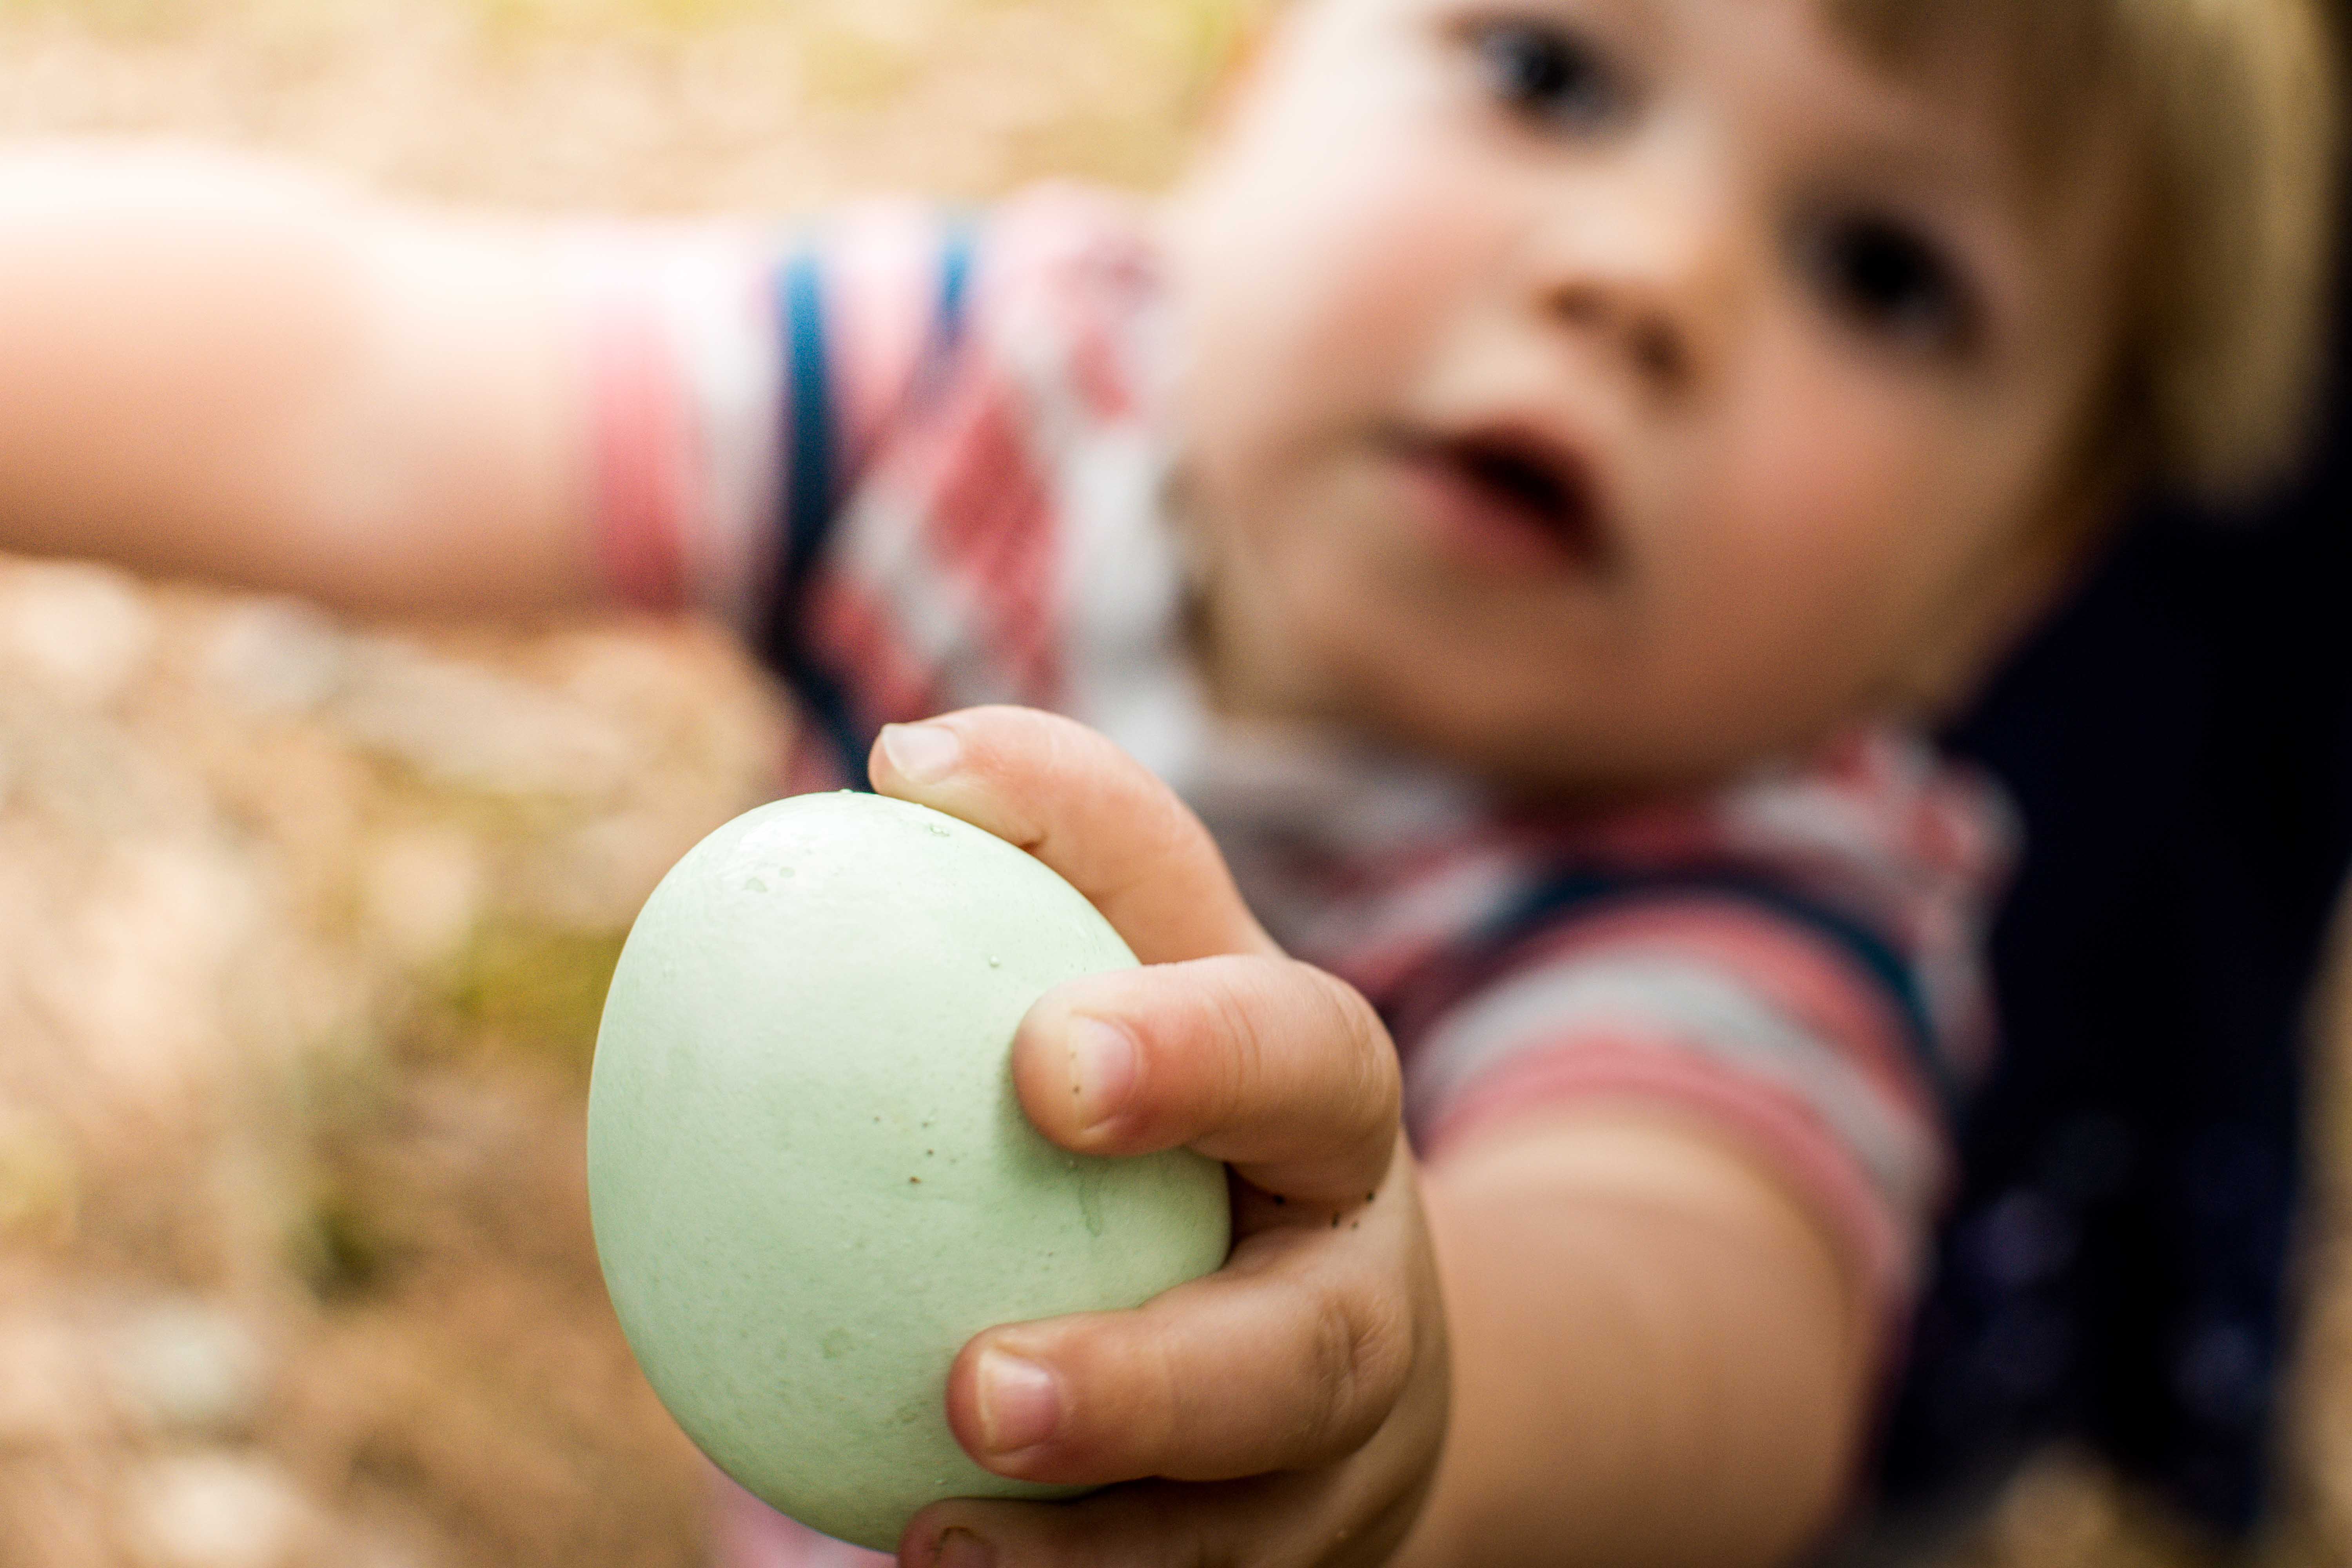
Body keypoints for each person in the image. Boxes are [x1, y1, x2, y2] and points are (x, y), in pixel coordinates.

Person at [0, 1, 2335, 1563]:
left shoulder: (1763, 908)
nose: (1648, 272)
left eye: (1886, 272)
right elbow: (372, 373)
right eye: (1548, 69)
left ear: (2005, 582)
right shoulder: (984, 395)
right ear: (1248, 94)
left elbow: (1700, 1318)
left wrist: (1396, 1373)